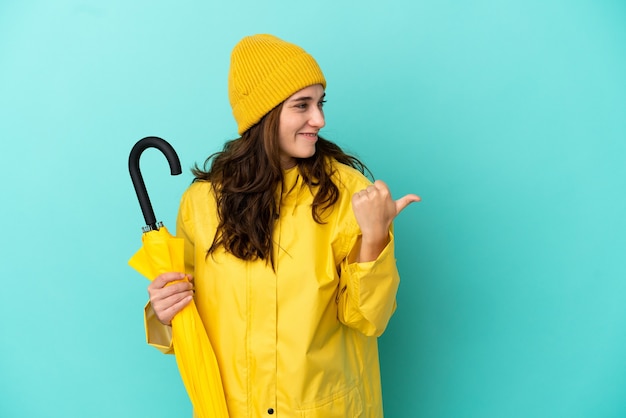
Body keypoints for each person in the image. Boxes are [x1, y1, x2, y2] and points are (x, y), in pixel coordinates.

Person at [144, 34, 420, 417]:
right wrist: (163, 311)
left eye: (320, 104)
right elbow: (187, 323)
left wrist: (374, 237)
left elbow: (367, 318)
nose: (319, 120)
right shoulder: (201, 203)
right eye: (302, 105)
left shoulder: (348, 194)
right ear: (263, 114)